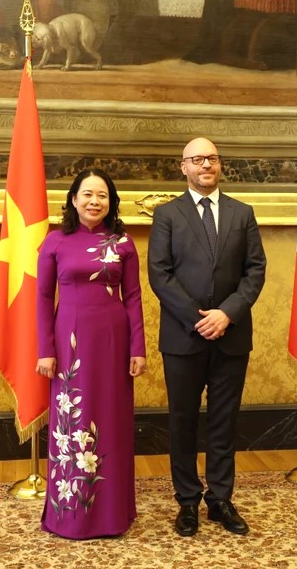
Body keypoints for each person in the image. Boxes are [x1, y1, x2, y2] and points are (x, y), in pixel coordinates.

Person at [147, 137, 266, 537]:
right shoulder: (167, 214)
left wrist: (226, 314)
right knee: (182, 421)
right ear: (183, 167)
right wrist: (198, 319)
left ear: (220, 165)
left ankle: (220, 499)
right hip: (183, 337)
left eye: (212, 158)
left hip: (231, 335)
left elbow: (255, 271)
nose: (205, 165)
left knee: (224, 421)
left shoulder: (242, 213)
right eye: (197, 159)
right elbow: (159, 274)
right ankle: (187, 501)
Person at [36, 168, 147, 539]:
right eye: (87, 194)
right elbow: (42, 298)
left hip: (113, 341)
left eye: (102, 195)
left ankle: (113, 514)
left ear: (111, 202)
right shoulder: (54, 241)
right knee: (73, 422)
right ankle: (70, 514)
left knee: (111, 420)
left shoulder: (123, 243)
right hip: (69, 342)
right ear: (73, 199)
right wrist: (45, 350)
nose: (94, 201)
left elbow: (133, 297)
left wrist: (138, 348)